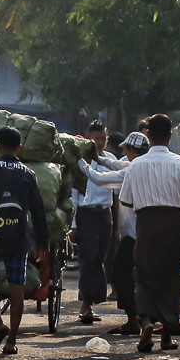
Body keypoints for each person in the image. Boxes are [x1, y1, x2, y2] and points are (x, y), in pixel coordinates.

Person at [118, 114, 180, 353]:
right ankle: (166, 336)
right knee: (170, 276)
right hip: (174, 224)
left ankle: (145, 323)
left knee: (143, 275)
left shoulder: (135, 165)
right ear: (170, 136)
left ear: (147, 135)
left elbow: (125, 201)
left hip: (146, 225)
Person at [0, 126, 49, 356]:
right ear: (19, 148)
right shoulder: (28, 173)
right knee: (17, 289)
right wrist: (43, 243)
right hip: (18, 239)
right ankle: (11, 341)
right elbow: (38, 210)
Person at [72, 126, 121, 324]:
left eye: (103, 139)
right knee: (88, 257)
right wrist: (73, 224)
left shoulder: (110, 160)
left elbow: (117, 193)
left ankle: (91, 298)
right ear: (87, 139)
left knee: (100, 256)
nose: (99, 143)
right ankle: (86, 303)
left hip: (105, 214)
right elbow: (74, 195)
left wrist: (117, 224)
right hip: (85, 213)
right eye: (95, 139)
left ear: (107, 139)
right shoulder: (79, 161)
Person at [103, 132, 148, 335]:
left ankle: (135, 319)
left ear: (130, 150)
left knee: (121, 274)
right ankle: (143, 320)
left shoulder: (133, 167)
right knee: (140, 276)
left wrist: (83, 164)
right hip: (147, 232)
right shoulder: (147, 165)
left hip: (134, 234)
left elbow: (99, 179)